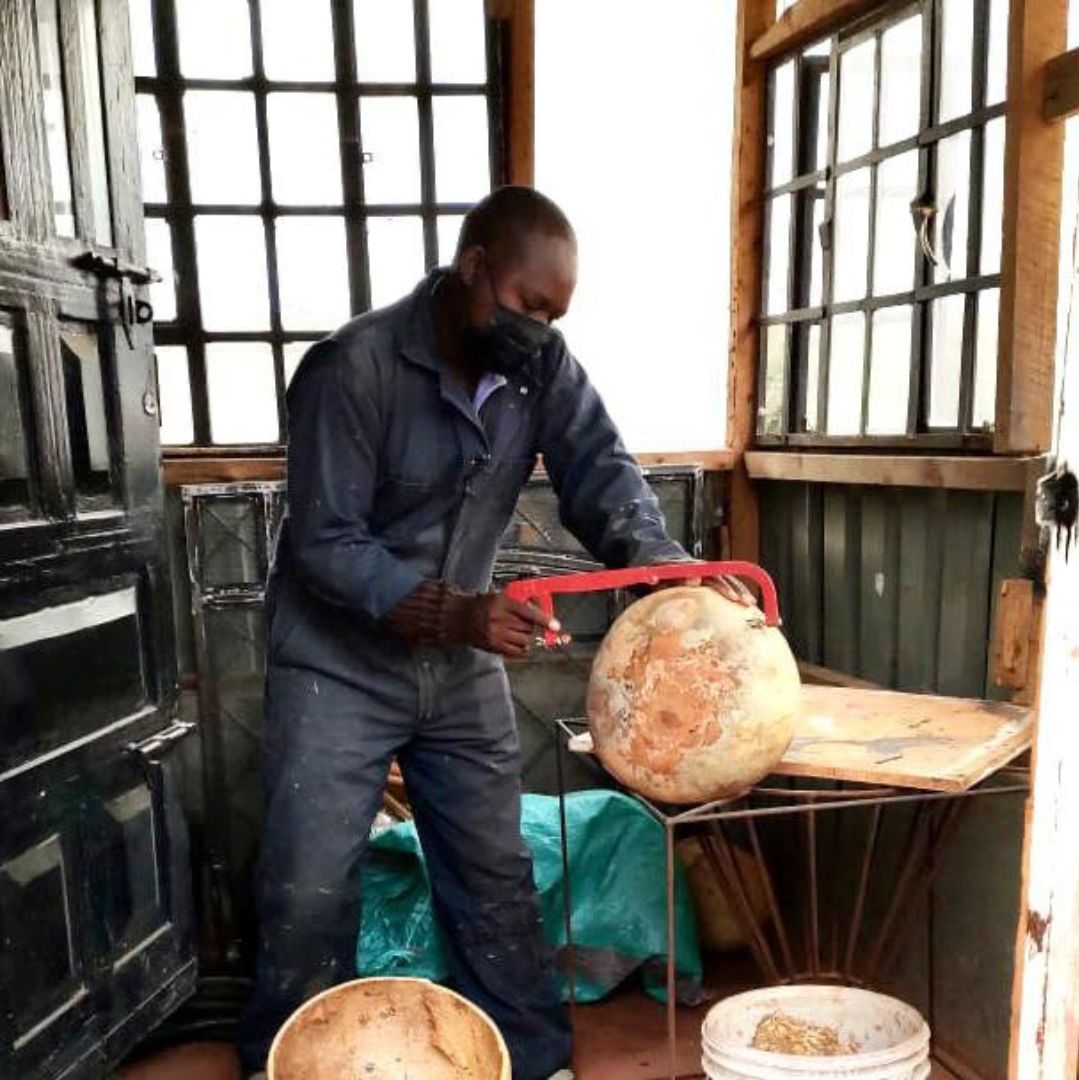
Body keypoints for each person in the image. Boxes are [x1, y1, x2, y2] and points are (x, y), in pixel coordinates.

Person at [238, 186, 751, 1079]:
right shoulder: (349, 370)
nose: (539, 329)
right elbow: (324, 545)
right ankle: (290, 1062)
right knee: (310, 888)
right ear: (472, 268)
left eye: (554, 314)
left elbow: (599, 468)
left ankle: (531, 1059)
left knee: (494, 877)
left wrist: (670, 574)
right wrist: (460, 612)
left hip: (457, 663)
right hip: (337, 666)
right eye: (526, 305)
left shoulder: (541, 367)